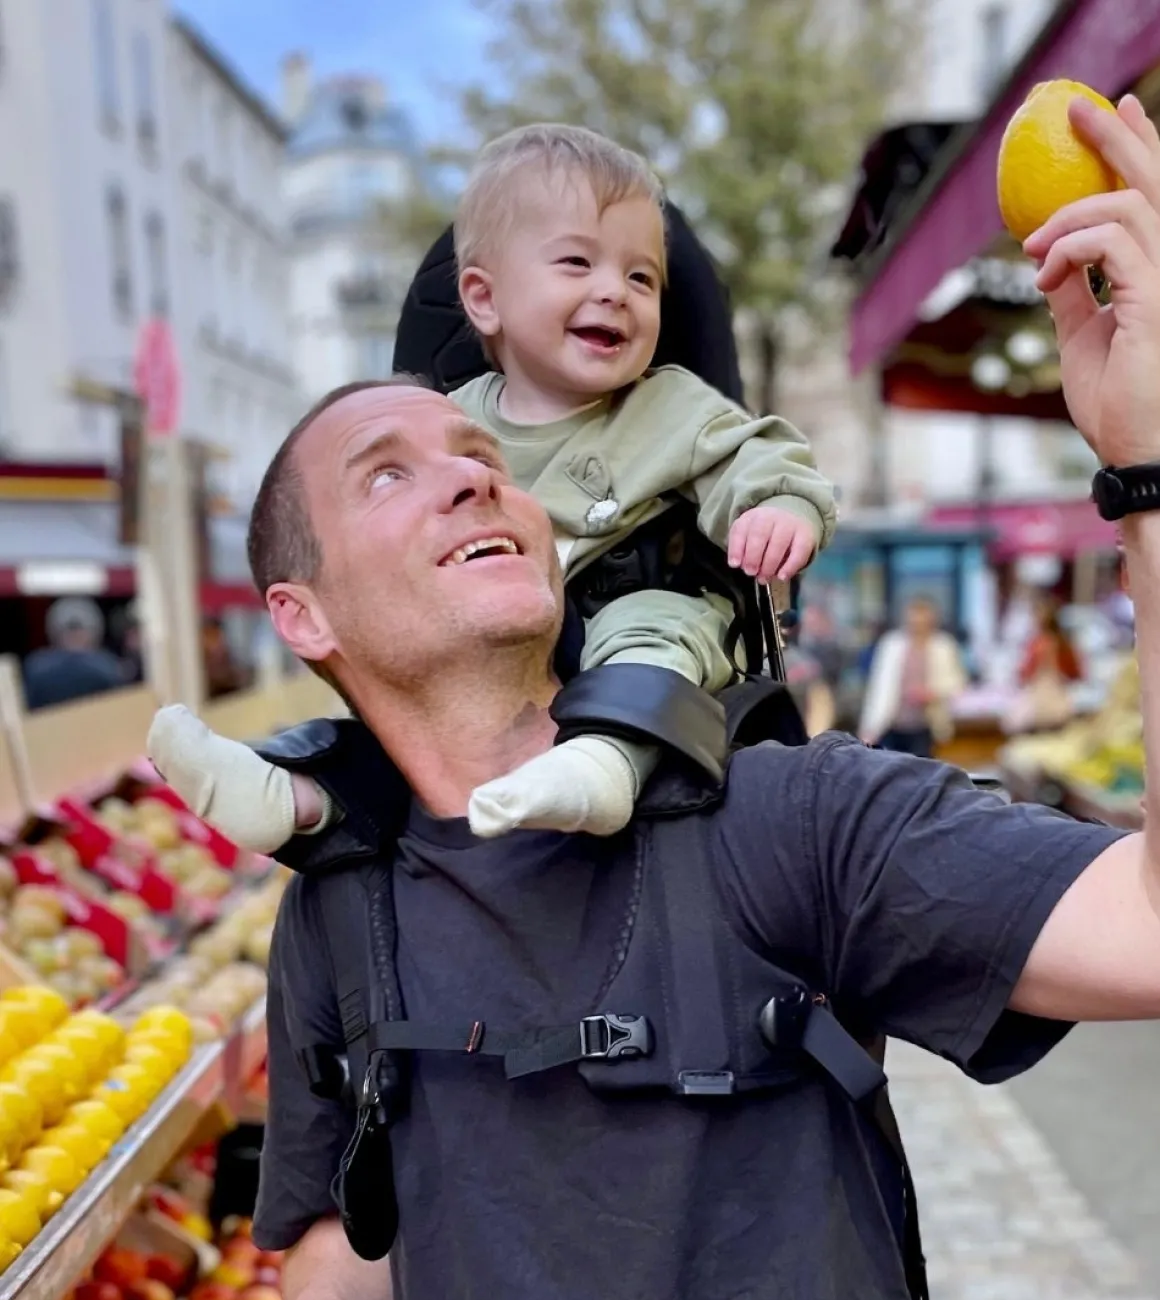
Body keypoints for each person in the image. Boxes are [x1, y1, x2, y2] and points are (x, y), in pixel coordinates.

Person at [220, 93, 1160, 1300]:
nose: (473, 480)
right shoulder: (341, 910)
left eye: (486, 462)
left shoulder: (791, 824)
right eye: (395, 471)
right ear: (302, 614)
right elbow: (355, 1230)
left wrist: (1149, 465)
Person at [148, 124, 835, 852]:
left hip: (641, 613)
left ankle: (607, 761)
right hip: (501, 648)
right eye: (577, 263)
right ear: (483, 298)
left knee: (652, 628)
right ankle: (303, 796)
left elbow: (760, 455)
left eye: (642, 279)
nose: (615, 291)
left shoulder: (671, 406)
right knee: (419, 683)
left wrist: (777, 508)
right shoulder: (448, 421)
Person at [858, 592, 967, 755]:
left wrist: (930, 693)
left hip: (927, 725)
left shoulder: (944, 646)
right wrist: (869, 727)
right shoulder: (891, 644)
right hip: (892, 723)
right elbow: (879, 687)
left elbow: (957, 684)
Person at [22, 597, 127, 711]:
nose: (75, 636)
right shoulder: (108, 665)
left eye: (79, 632)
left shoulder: (36, 667)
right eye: (70, 632)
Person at [1005, 593, 1083, 733]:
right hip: (1060, 705)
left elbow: (1025, 675)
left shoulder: (1038, 644)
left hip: (1041, 706)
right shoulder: (1064, 643)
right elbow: (1077, 674)